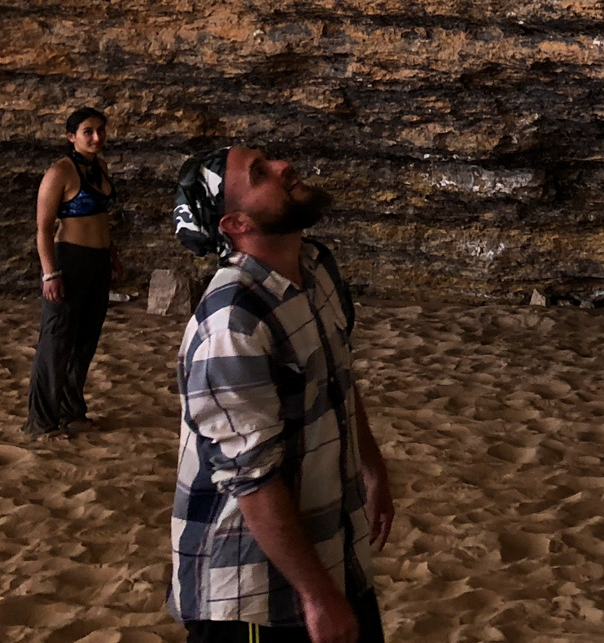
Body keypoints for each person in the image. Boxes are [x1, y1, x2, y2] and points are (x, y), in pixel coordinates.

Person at [169, 144, 395, 643]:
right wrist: (318, 598)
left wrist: (372, 467)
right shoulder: (231, 323)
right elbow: (252, 479)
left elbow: (336, 376)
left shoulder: (314, 269)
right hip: (257, 595)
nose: (282, 165)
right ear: (236, 224)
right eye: (259, 173)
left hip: (332, 556)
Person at [26, 105, 120, 440]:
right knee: (56, 341)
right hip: (70, 261)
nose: (97, 137)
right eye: (88, 132)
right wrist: (50, 274)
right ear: (71, 136)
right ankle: (42, 421)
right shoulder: (60, 173)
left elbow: (102, 220)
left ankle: (71, 411)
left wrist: (112, 256)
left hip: (97, 262)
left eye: (101, 130)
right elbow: (42, 228)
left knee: (85, 341)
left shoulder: (101, 168)